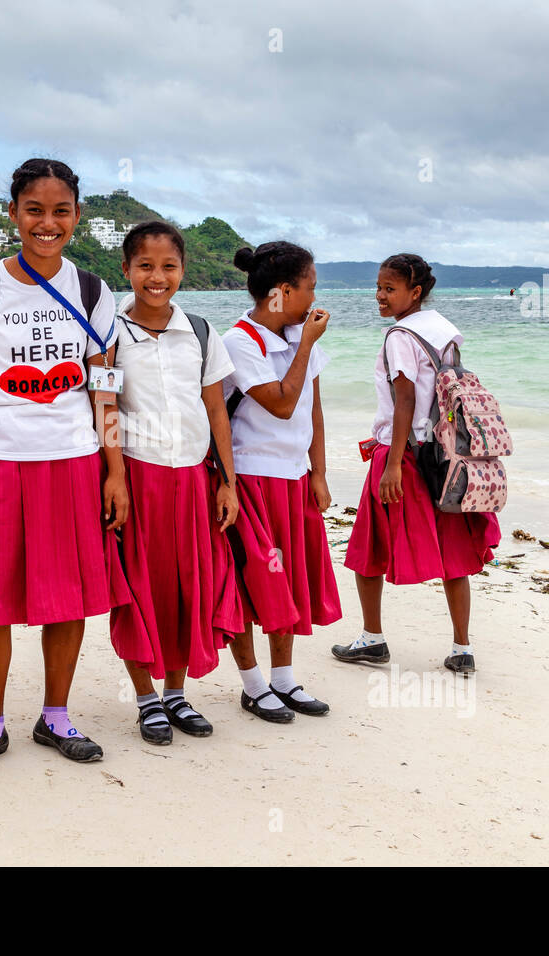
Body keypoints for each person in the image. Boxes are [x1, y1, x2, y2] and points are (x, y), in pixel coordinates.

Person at [0, 158, 127, 772]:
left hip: (72, 464)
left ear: (78, 216)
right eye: (35, 211)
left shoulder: (96, 292)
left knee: (66, 598)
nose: (48, 223)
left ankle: (56, 717)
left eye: (61, 211)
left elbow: (105, 389)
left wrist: (115, 468)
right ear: (14, 213)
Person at [333, 253, 501, 674]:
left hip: (404, 457)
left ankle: (372, 640)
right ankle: (462, 649)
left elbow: (404, 399)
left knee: (368, 549)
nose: (380, 297)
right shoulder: (443, 331)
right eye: (378, 287)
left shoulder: (399, 336)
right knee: (455, 555)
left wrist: (390, 464)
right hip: (445, 457)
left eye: (389, 289)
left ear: (415, 292)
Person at [108, 221, 242, 745]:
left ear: (183, 270)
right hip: (139, 477)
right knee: (141, 587)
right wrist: (115, 476)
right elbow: (106, 408)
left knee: (191, 587)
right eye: (145, 266)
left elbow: (216, 411)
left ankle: (177, 693)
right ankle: (146, 699)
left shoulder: (202, 333)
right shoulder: (110, 334)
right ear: (127, 270)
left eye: (168, 267)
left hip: (193, 480)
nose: (156, 277)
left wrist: (226, 483)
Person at [221, 242, 342, 723]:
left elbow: (312, 409)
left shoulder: (296, 337)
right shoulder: (240, 341)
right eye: (310, 287)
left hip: (292, 478)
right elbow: (281, 403)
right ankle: (253, 685)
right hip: (251, 478)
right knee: (253, 583)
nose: (315, 297)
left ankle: (284, 679)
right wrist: (307, 345)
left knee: (289, 583)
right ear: (284, 291)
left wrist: (319, 471)